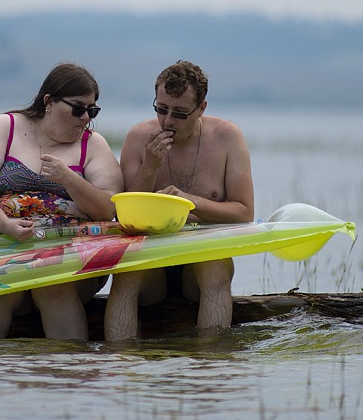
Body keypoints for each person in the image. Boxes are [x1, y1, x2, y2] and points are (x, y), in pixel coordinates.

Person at [0, 63, 123, 340]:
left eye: (91, 110)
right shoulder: (6, 126)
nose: (85, 118)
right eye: (78, 108)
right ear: (49, 101)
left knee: (51, 283)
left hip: (70, 258)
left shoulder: (93, 145)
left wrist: (69, 180)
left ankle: (68, 368)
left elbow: (109, 208)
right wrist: (7, 225)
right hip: (2, 249)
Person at [104, 60, 255, 341]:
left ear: (201, 109)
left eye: (180, 113)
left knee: (216, 263)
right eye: (161, 109)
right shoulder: (138, 137)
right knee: (125, 271)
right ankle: (120, 369)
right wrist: (150, 166)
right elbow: (124, 215)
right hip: (153, 263)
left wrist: (189, 201)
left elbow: (244, 212)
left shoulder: (228, 137)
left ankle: (209, 365)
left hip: (201, 261)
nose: (168, 121)